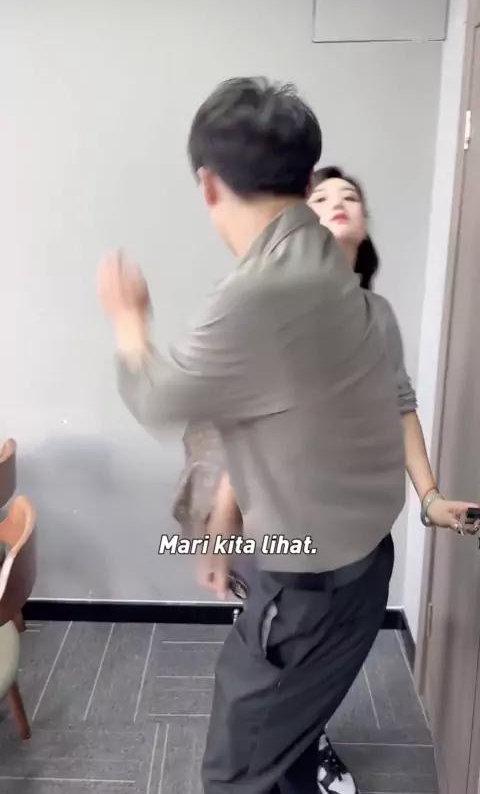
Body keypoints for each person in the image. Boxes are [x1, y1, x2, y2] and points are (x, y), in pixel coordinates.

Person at [98, 76, 413, 794]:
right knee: (286, 746)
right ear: (306, 183)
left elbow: (156, 399)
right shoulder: (336, 276)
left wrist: (128, 320)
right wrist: (220, 527)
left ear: (209, 185)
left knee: (236, 771)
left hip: (307, 592)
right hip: (358, 569)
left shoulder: (256, 296)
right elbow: (272, 420)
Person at [173, 164, 479, 794]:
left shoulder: (377, 316)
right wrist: (220, 529)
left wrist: (430, 498)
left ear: (363, 228)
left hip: (366, 563)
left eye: (350, 196)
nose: (337, 202)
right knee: (239, 757)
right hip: (293, 565)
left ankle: (305, 751)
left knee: (308, 701)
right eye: (319, 196)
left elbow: (399, 405)